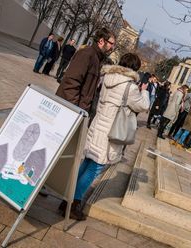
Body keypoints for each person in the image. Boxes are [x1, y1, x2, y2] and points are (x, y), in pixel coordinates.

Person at [59, 53, 149, 220]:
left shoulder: (108, 77)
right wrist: (144, 92)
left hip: (97, 125)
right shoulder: (130, 87)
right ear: (135, 69)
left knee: (87, 162)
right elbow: (144, 106)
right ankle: (74, 203)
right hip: (109, 132)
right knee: (95, 168)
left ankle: (66, 199)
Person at [56, 27, 115, 114]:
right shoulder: (87, 54)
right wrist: (74, 109)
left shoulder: (97, 58)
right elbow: (70, 83)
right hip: (69, 109)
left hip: (79, 109)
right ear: (101, 41)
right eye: (111, 44)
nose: (112, 48)